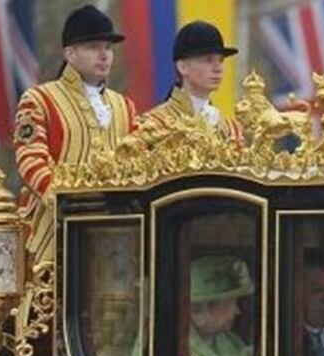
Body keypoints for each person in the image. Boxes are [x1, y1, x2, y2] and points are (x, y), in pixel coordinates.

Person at [13, 4, 137, 264]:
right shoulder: (39, 99)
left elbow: (137, 164)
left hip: (114, 230)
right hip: (51, 232)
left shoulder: (125, 106)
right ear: (69, 53)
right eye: (93, 47)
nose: (104, 55)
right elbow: (30, 158)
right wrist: (66, 201)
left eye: (108, 47)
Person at [137, 20, 243, 142]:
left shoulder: (230, 130)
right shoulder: (154, 125)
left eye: (221, 60)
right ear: (182, 67)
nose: (218, 68)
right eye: (208, 60)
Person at [187, 255, 254, 356]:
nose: (237, 311)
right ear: (210, 306)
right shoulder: (173, 347)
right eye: (232, 303)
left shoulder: (233, 342)